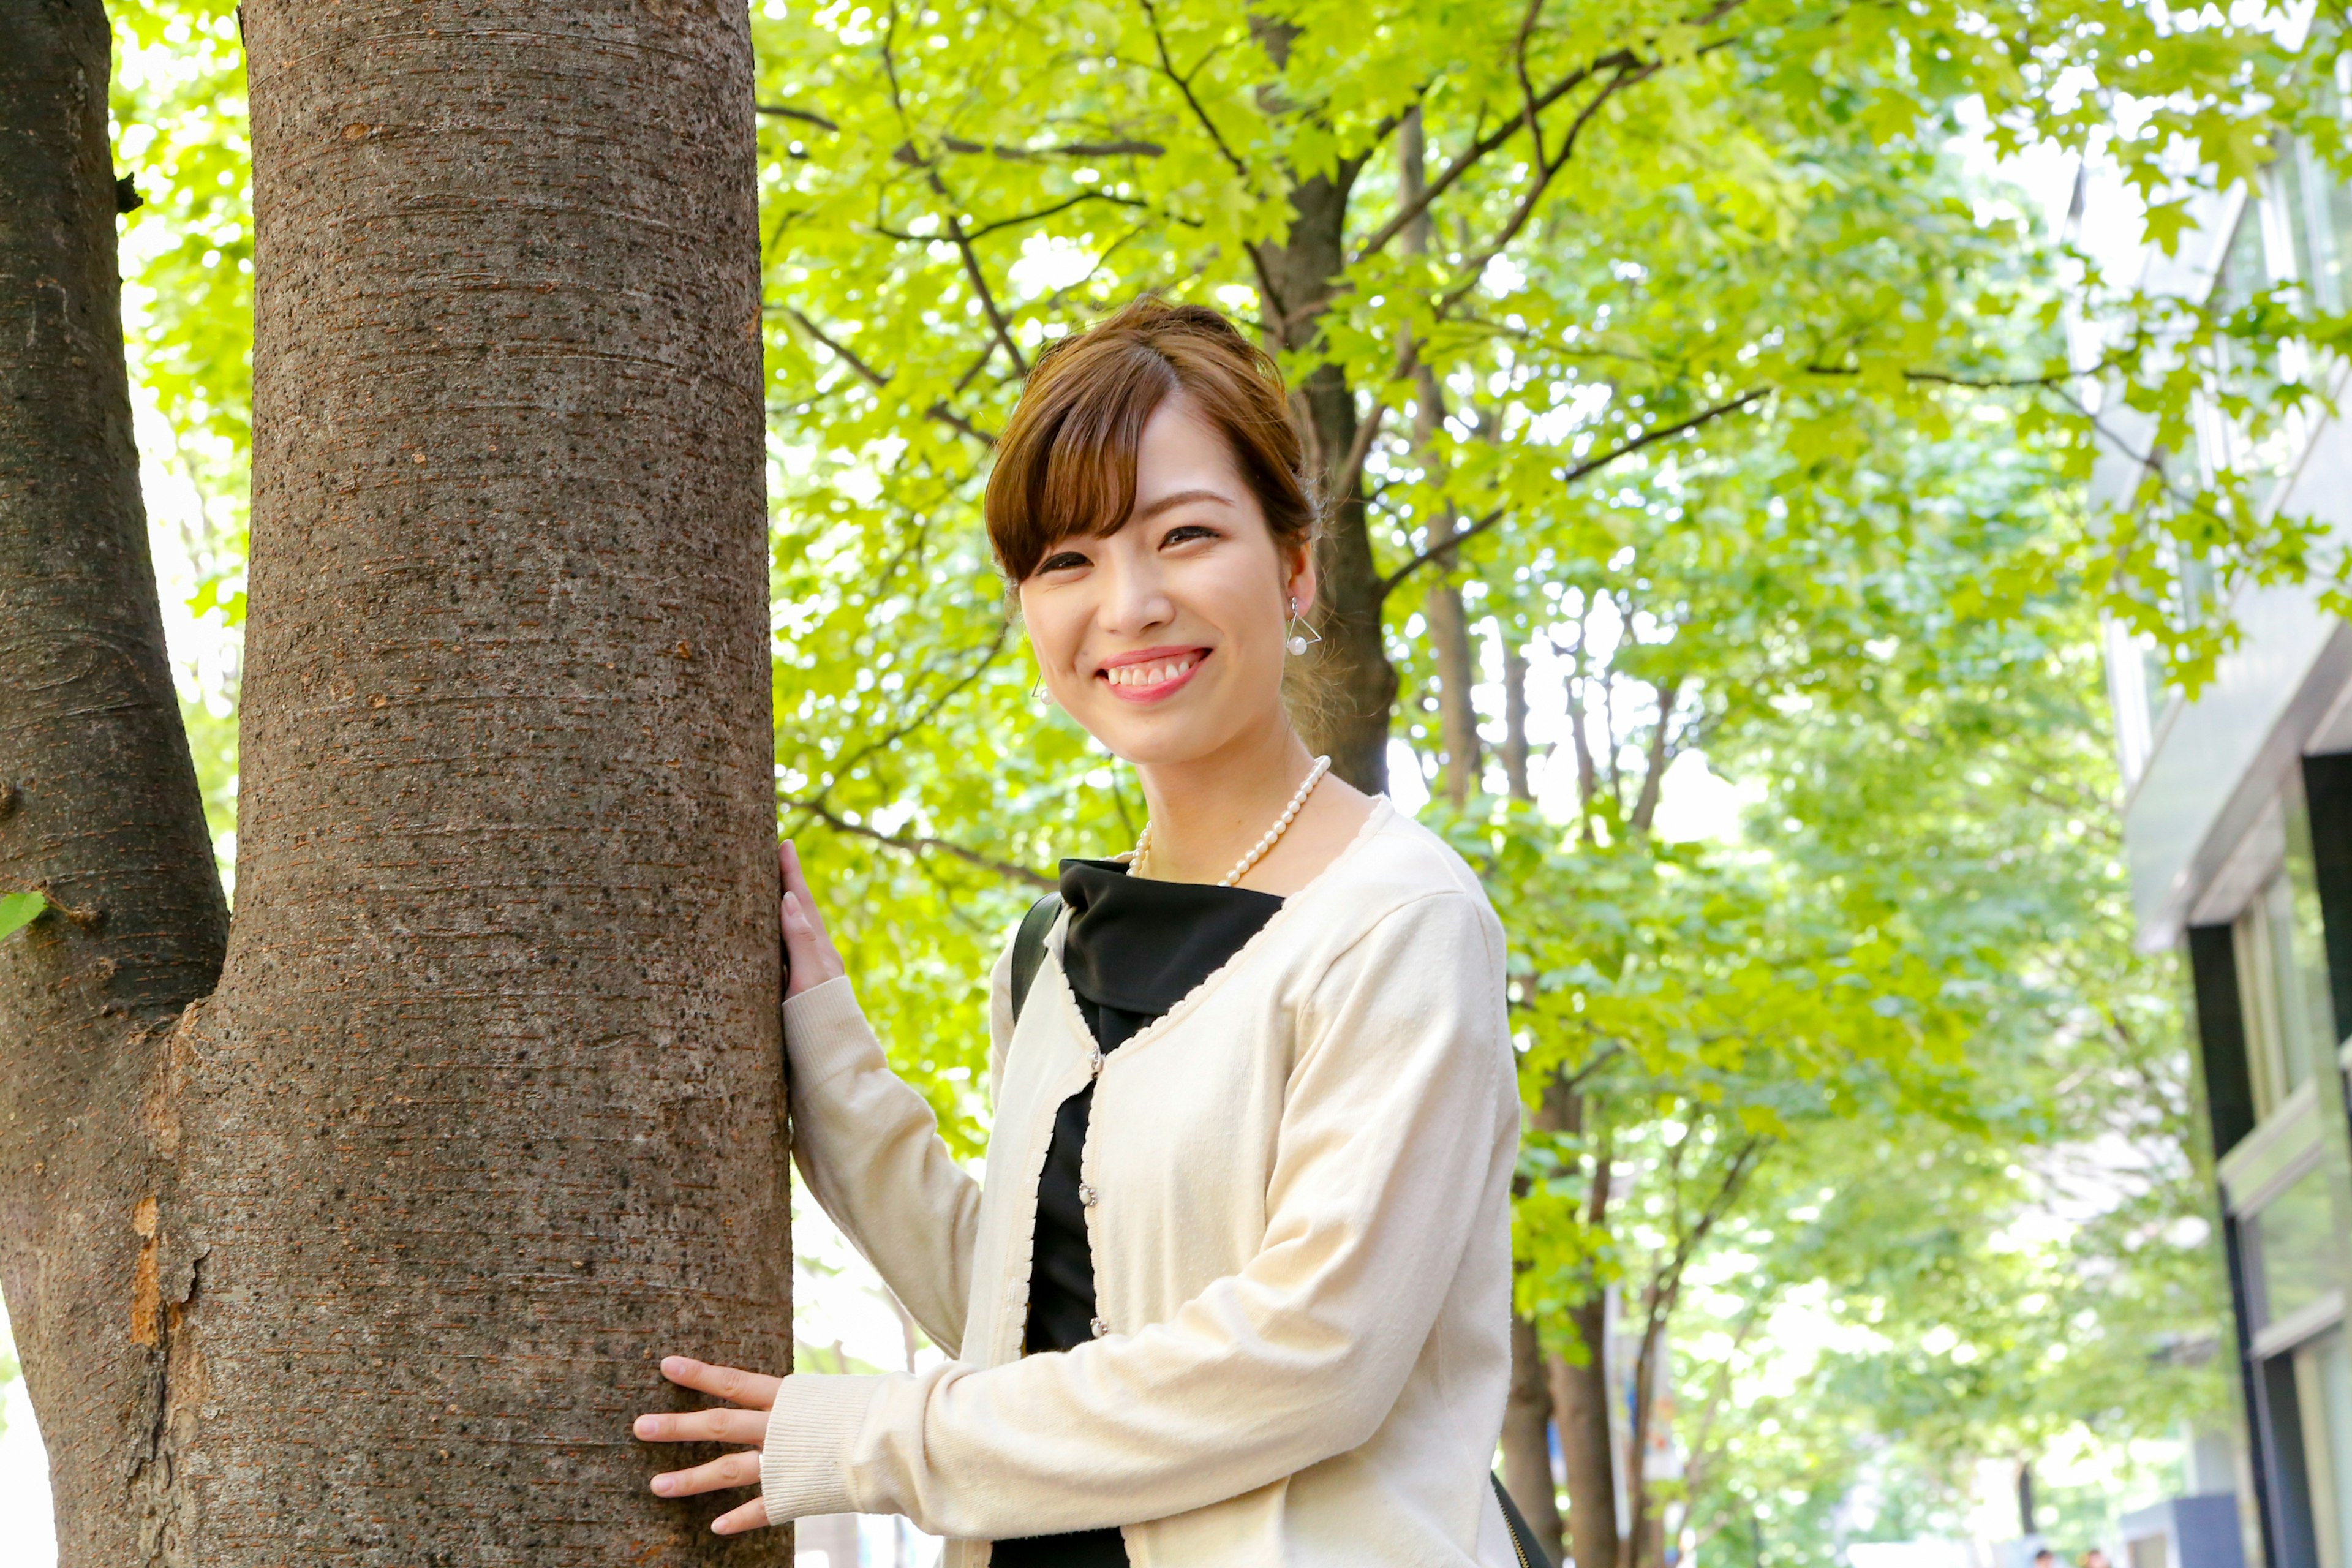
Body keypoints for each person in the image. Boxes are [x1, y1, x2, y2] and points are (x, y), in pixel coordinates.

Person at [630, 298, 1524, 1565]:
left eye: (1188, 534)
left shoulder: (1398, 919)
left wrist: (869, 1438)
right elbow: (1022, 1320)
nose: (1133, 602)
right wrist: (819, 1047)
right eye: (1070, 560)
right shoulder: (1053, 947)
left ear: (1295, 562)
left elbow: (1315, 1355)